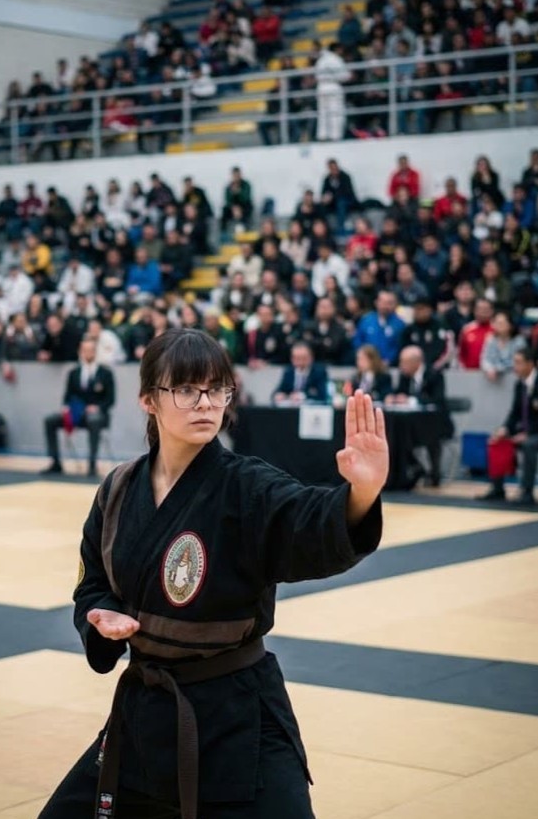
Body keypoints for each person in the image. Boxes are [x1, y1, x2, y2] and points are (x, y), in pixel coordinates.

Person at [37, 328, 387, 819]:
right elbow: (92, 580)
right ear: (148, 400)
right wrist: (103, 615)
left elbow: (307, 520)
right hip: (146, 712)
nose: (204, 402)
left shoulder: (247, 487)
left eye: (216, 388)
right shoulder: (117, 490)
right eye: (185, 389)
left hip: (238, 719)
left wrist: (361, 495)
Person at [42, 337, 115, 477]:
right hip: (76, 413)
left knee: (94, 420)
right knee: (50, 420)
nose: (88, 353)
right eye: (85, 350)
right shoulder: (73, 373)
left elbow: (110, 400)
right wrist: (66, 407)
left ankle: (92, 464)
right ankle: (55, 462)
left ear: (95, 352)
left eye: (91, 350)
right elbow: (67, 396)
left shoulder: (106, 373)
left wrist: (97, 407)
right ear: (80, 352)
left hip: (97, 415)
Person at [385, 345, 452, 486]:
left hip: (435, 422)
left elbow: (437, 399)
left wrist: (410, 399)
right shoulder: (404, 376)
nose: (401, 365)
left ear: (416, 362)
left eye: (404, 362)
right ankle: (414, 468)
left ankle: (435, 473)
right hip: (411, 423)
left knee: (431, 434)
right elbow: (399, 393)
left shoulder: (434, 374)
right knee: (396, 432)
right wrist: (394, 397)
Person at [480, 347, 538, 506]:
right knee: (496, 439)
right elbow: (514, 412)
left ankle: (527, 492)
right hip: (526, 430)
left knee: (529, 444)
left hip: (534, 433)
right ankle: (497, 488)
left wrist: (529, 433)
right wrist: (504, 429)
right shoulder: (520, 384)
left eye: (518, 363)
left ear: (530, 364)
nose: (515, 367)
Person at [315, 44, 351, 142]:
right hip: (333, 86)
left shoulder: (321, 60)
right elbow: (345, 76)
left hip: (321, 87)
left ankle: (322, 136)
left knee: (323, 113)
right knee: (336, 113)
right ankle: (335, 136)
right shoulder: (336, 59)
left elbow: (316, 76)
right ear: (337, 49)